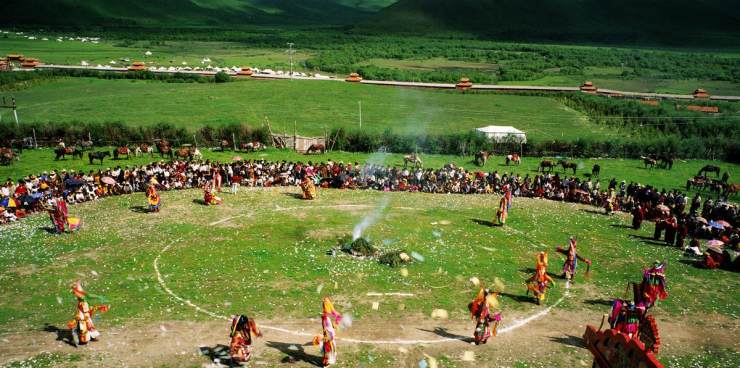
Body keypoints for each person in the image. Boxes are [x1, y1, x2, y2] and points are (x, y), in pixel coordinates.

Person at [67, 281, 109, 346]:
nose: (84, 297)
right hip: (83, 317)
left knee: (90, 326)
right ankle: (83, 340)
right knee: (83, 328)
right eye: (82, 297)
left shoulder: (85, 302)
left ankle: (92, 337)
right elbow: (80, 311)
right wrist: (80, 318)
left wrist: (99, 307)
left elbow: (89, 307)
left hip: (87, 315)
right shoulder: (81, 303)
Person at [314, 297, 342, 367]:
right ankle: (328, 361)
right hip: (330, 334)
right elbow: (338, 317)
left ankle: (328, 361)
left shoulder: (327, 316)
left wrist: (334, 325)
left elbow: (337, 317)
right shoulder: (329, 314)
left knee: (329, 347)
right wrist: (335, 325)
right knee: (330, 346)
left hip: (329, 334)